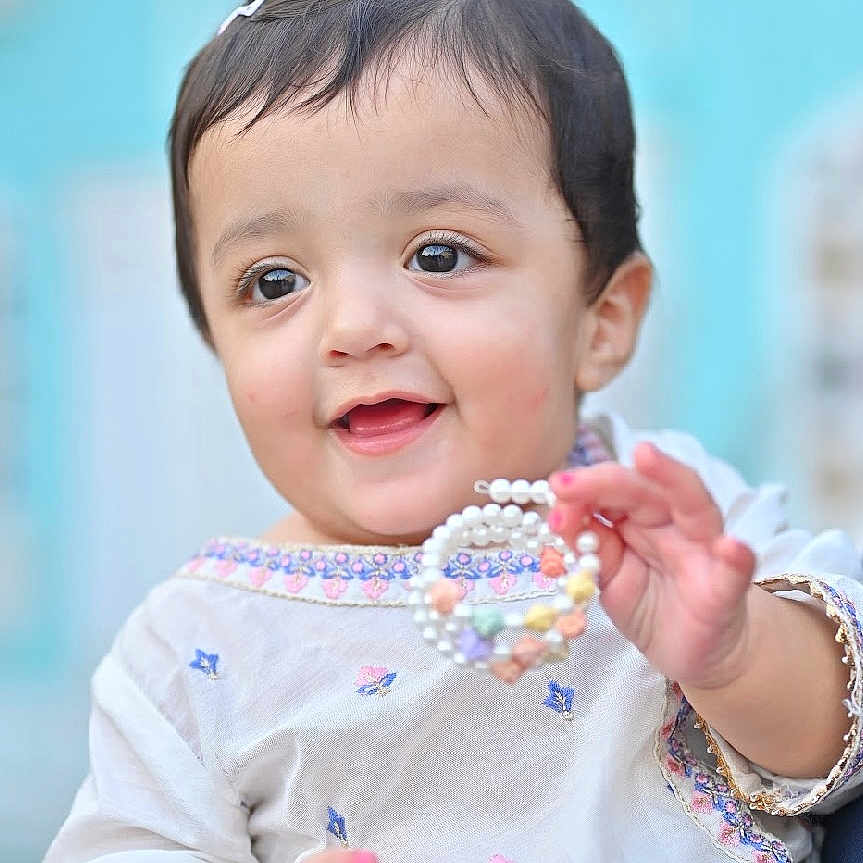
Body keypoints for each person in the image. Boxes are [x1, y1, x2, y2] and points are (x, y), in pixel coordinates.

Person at [45, 1, 863, 861]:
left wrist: (735, 656)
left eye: (438, 255)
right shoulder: (192, 652)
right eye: (274, 280)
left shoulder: (664, 515)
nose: (353, 327)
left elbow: (838, 739)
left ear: (602, 319)